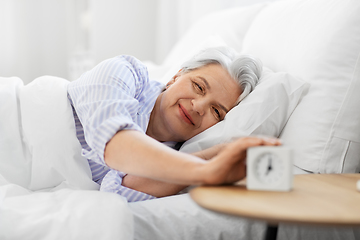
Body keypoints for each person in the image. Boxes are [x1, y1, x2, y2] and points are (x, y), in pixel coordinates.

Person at [67, 46, 281, 202]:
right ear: (175, 77)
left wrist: (215, 154)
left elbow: (119, 191)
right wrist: (205, 170)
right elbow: (115, 145)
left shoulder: (176, 155)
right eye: (198, 87)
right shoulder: (124, 71)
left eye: (216, 111)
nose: (198, 106)